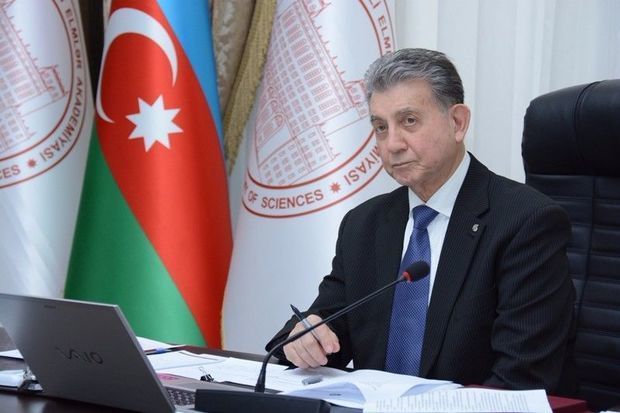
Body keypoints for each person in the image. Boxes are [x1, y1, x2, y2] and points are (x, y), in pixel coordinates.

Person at [266, 48, 576, 394]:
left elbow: (520, 379)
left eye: (409, 121)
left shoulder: (525, 222)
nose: (392, 144)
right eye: (380, 127)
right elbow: (326, 328)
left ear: (457, 123)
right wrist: (304, 341)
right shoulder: (364, 224)